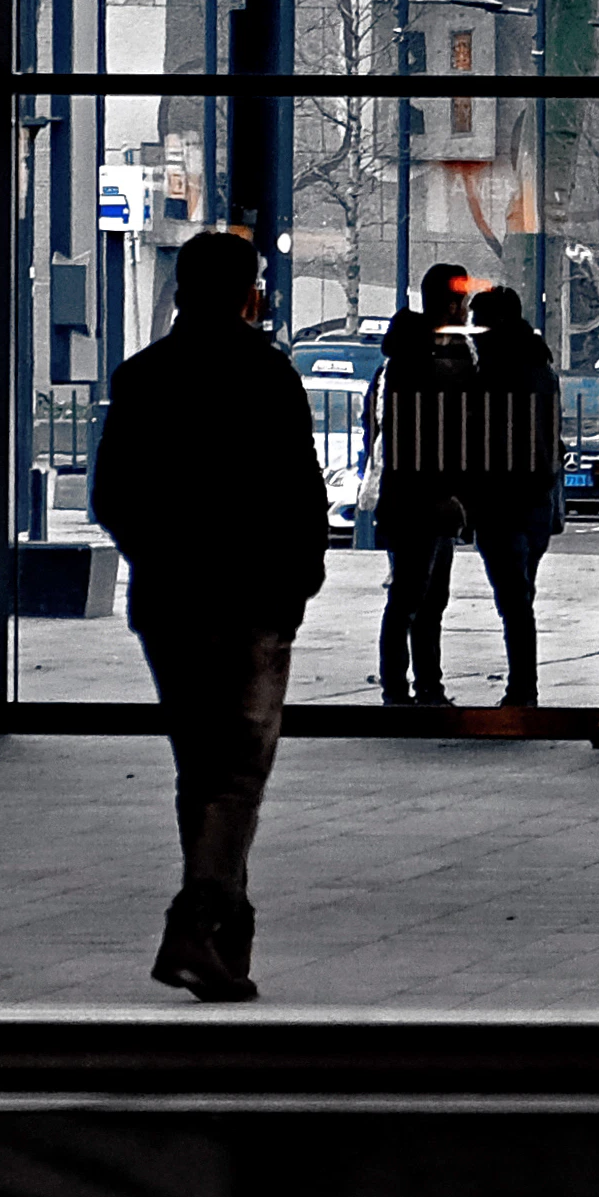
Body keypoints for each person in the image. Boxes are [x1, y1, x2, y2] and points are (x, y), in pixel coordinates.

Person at [89, 225, 326, 1001]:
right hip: (252, 597)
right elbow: (300, 495)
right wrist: (297, 582)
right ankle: (198, 921)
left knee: (202, 768)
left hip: (169, 600)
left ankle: (226, 928)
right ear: (248, 291)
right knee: (237, 769)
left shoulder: (142, 377)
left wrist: (160, 559)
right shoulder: (268, 377)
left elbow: (112, 497)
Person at [365, 260, 481, 706]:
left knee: (418, 597)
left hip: (412, 494)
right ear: (451, 302)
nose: (468, 309)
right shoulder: (433, 357)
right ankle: (410, 686)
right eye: (463, 300)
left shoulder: (408, 355)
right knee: (417, 597)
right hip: (426, 496)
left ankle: (415, 685)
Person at [451, 278, 563, 707]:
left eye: (479, 321)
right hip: (538, 501)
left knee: (513, 601)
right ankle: (523, 684)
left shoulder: (492, 374)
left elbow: (481, 440)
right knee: (521, 595)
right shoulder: (541, 367)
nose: (475, 329)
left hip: (501, 501)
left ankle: (522, 687)